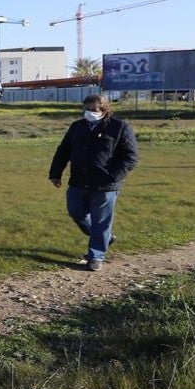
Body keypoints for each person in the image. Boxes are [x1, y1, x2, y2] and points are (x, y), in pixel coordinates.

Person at [48, 94, 138, 271]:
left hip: (105, 185)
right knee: (76, 212)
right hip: (78, 181)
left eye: (93, 109)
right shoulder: (77, 127)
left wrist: (114, 176)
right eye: (86, 109)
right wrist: (55, 173)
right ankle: (106, 237)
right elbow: (63, 151)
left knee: (101, 222)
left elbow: (131, 157)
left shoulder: (119, 127)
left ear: (104, 109)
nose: (89, 112)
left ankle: (96, 257)